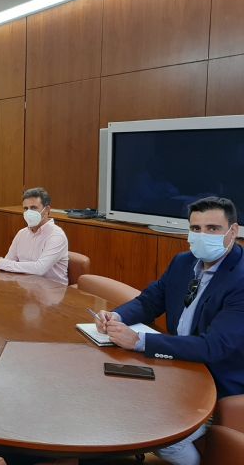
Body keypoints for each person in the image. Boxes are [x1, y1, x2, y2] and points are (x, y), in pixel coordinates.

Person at [94, 196, 244, 465]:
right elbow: (150, 301)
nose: (202, 235)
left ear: (232, 231)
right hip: (177, 368)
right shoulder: (183, 263)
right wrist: (116, 315)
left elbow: (213, 347)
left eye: (212, 229)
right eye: (195, 229)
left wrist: (140, 340)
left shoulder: (241, 279)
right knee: (108, 401)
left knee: (166, 439)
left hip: (217, 381)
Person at [0, 187, 69, 285]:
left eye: (33, 208)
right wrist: (3, 264)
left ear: (47, 209)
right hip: (25, 289)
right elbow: (8, 262)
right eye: (26, 208)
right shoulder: (22, 234)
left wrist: (0, 263)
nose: (29, 212)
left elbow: (40, 269)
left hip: (53, 292)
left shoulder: (56, 236)